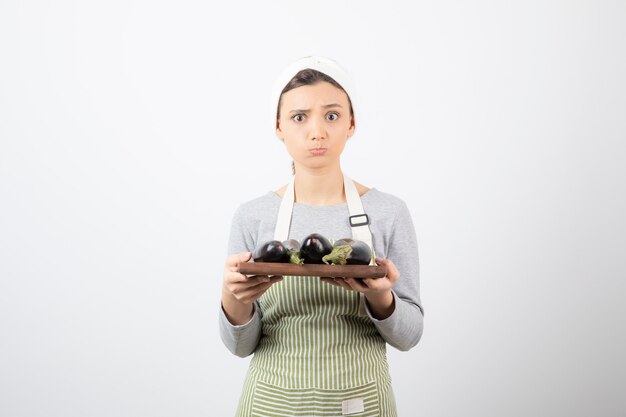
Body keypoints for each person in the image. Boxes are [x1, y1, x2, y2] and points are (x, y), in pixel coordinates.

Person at [219, 55, 424, 417]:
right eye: (300, 117)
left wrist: (382, 297)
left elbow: (408, 337)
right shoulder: (252, 216)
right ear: (279, 126)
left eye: (331, 115)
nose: (317, 131)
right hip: (270, 404)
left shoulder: (389, 212)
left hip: (361, 404)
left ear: (351, 123)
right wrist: (232, 295)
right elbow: (240, 346)